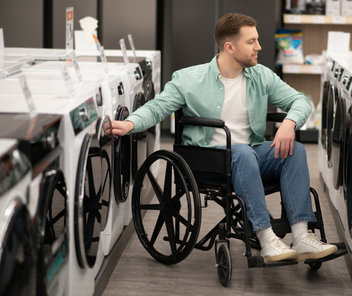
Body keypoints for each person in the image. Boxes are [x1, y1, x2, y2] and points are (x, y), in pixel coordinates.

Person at [111, 12, 337, 263]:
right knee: (241, 152)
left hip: (250, 154)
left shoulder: (261, 76)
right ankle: (267, 238)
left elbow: (300, 101)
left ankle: (302, 235)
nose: (259, 47)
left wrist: (289, 122)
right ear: (229, 47)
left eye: (257, 40)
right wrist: (129, 123)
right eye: (251, 41)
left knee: (294, 149)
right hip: (209, 160)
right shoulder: (188, 79)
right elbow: (157, 107)